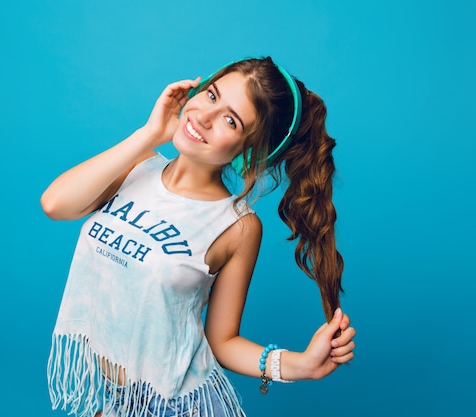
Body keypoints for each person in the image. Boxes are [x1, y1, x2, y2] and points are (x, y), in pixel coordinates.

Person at [41, 56, 356, 417]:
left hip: (180, 405)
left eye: (230, 120)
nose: (203, 118)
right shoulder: (136, 166)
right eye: (210, 96)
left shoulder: (236, 226)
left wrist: (297, 365)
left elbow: (223, 341)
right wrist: (150, 134)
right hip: (122, 400)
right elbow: (55, 204)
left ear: (249, 149)